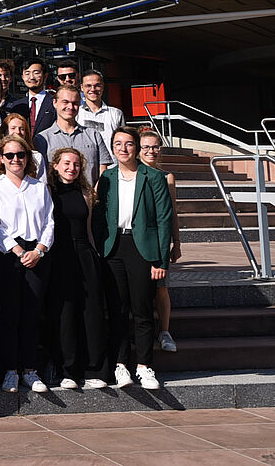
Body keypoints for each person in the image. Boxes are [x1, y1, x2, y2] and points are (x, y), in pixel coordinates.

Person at [93, 126, 173, 391]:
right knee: (117, 309)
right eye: (117, 144)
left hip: (143, 248)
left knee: (141, 309)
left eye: (128, 144)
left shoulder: (154, 177)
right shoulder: (107, 178)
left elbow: (163, 219)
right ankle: (120, 365)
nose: (123, 149)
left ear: (137, 147)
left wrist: (161, 261)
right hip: (114, 248)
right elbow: (99, 215)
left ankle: (144, 366)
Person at [0, 134, 53, 394]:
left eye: (21, 155)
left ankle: (30, 370)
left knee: (32, 313)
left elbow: (49, 222)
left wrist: (38, 250)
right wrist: (17, 250)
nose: (16, 160)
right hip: (8, 256)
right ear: (0, 158)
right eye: (10, 155)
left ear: (28, 158)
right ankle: (11, 370)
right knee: (10, 314)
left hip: (37, 255)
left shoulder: (39, 187)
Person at [47, 147, 110, 390]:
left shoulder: (86, 192)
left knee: (91, 311)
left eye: (76, 164)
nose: (71, 168)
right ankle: (68, 370)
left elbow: (89, 229)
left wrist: (95, 256)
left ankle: (94, 369)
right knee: (64, 312)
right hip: (59, 253)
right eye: (66, 163)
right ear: (55, 165)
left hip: (84, 253)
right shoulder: (48, 192)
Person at [138, 129, 182, 354]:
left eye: (155, 147)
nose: (151, 151)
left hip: (159, 239)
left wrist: (177, 241)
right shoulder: (133, 174)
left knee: (161, 288)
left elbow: (172, 212)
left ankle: (164, 331)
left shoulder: (167, 176)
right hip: (136, 240)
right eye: (146, 147)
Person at [34, 85, 111, 185]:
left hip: (90, 197)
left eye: (75, 103)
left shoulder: (94, 135)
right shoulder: (42, 139)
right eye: (65, 102)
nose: (70, 107)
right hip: (55, 198)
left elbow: (103, 170)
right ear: (55, 103)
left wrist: (94, 195)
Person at [78, 69, 125, 154]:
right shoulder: (76, 113)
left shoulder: (116, 114)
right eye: (88, 86)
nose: (93, 89)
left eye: (97, 85)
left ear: (103, 86)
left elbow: (123, 140)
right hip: (84, 165)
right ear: (82, 87)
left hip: (112, 165)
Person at [9, 58, 56, 135]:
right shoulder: (17, 105)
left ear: (45, 76)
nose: (32, 77)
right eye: (27, 73)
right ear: (22, 77)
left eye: (36, 73)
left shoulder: (54, 102)